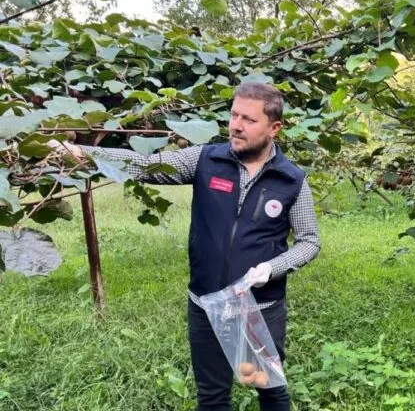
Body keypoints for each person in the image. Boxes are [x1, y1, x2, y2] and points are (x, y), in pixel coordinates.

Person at [55, 82, 320, 411]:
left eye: (249, 120)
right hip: (206, 304)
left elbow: (309, 242)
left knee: (268, 390)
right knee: (211, 398)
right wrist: (88, 155)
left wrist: (272, 268)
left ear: (274, 128)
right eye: (234, 115)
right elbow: (146, 165)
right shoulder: (206, 159)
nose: (236, 125)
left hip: (259, 310)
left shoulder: (291, 179)